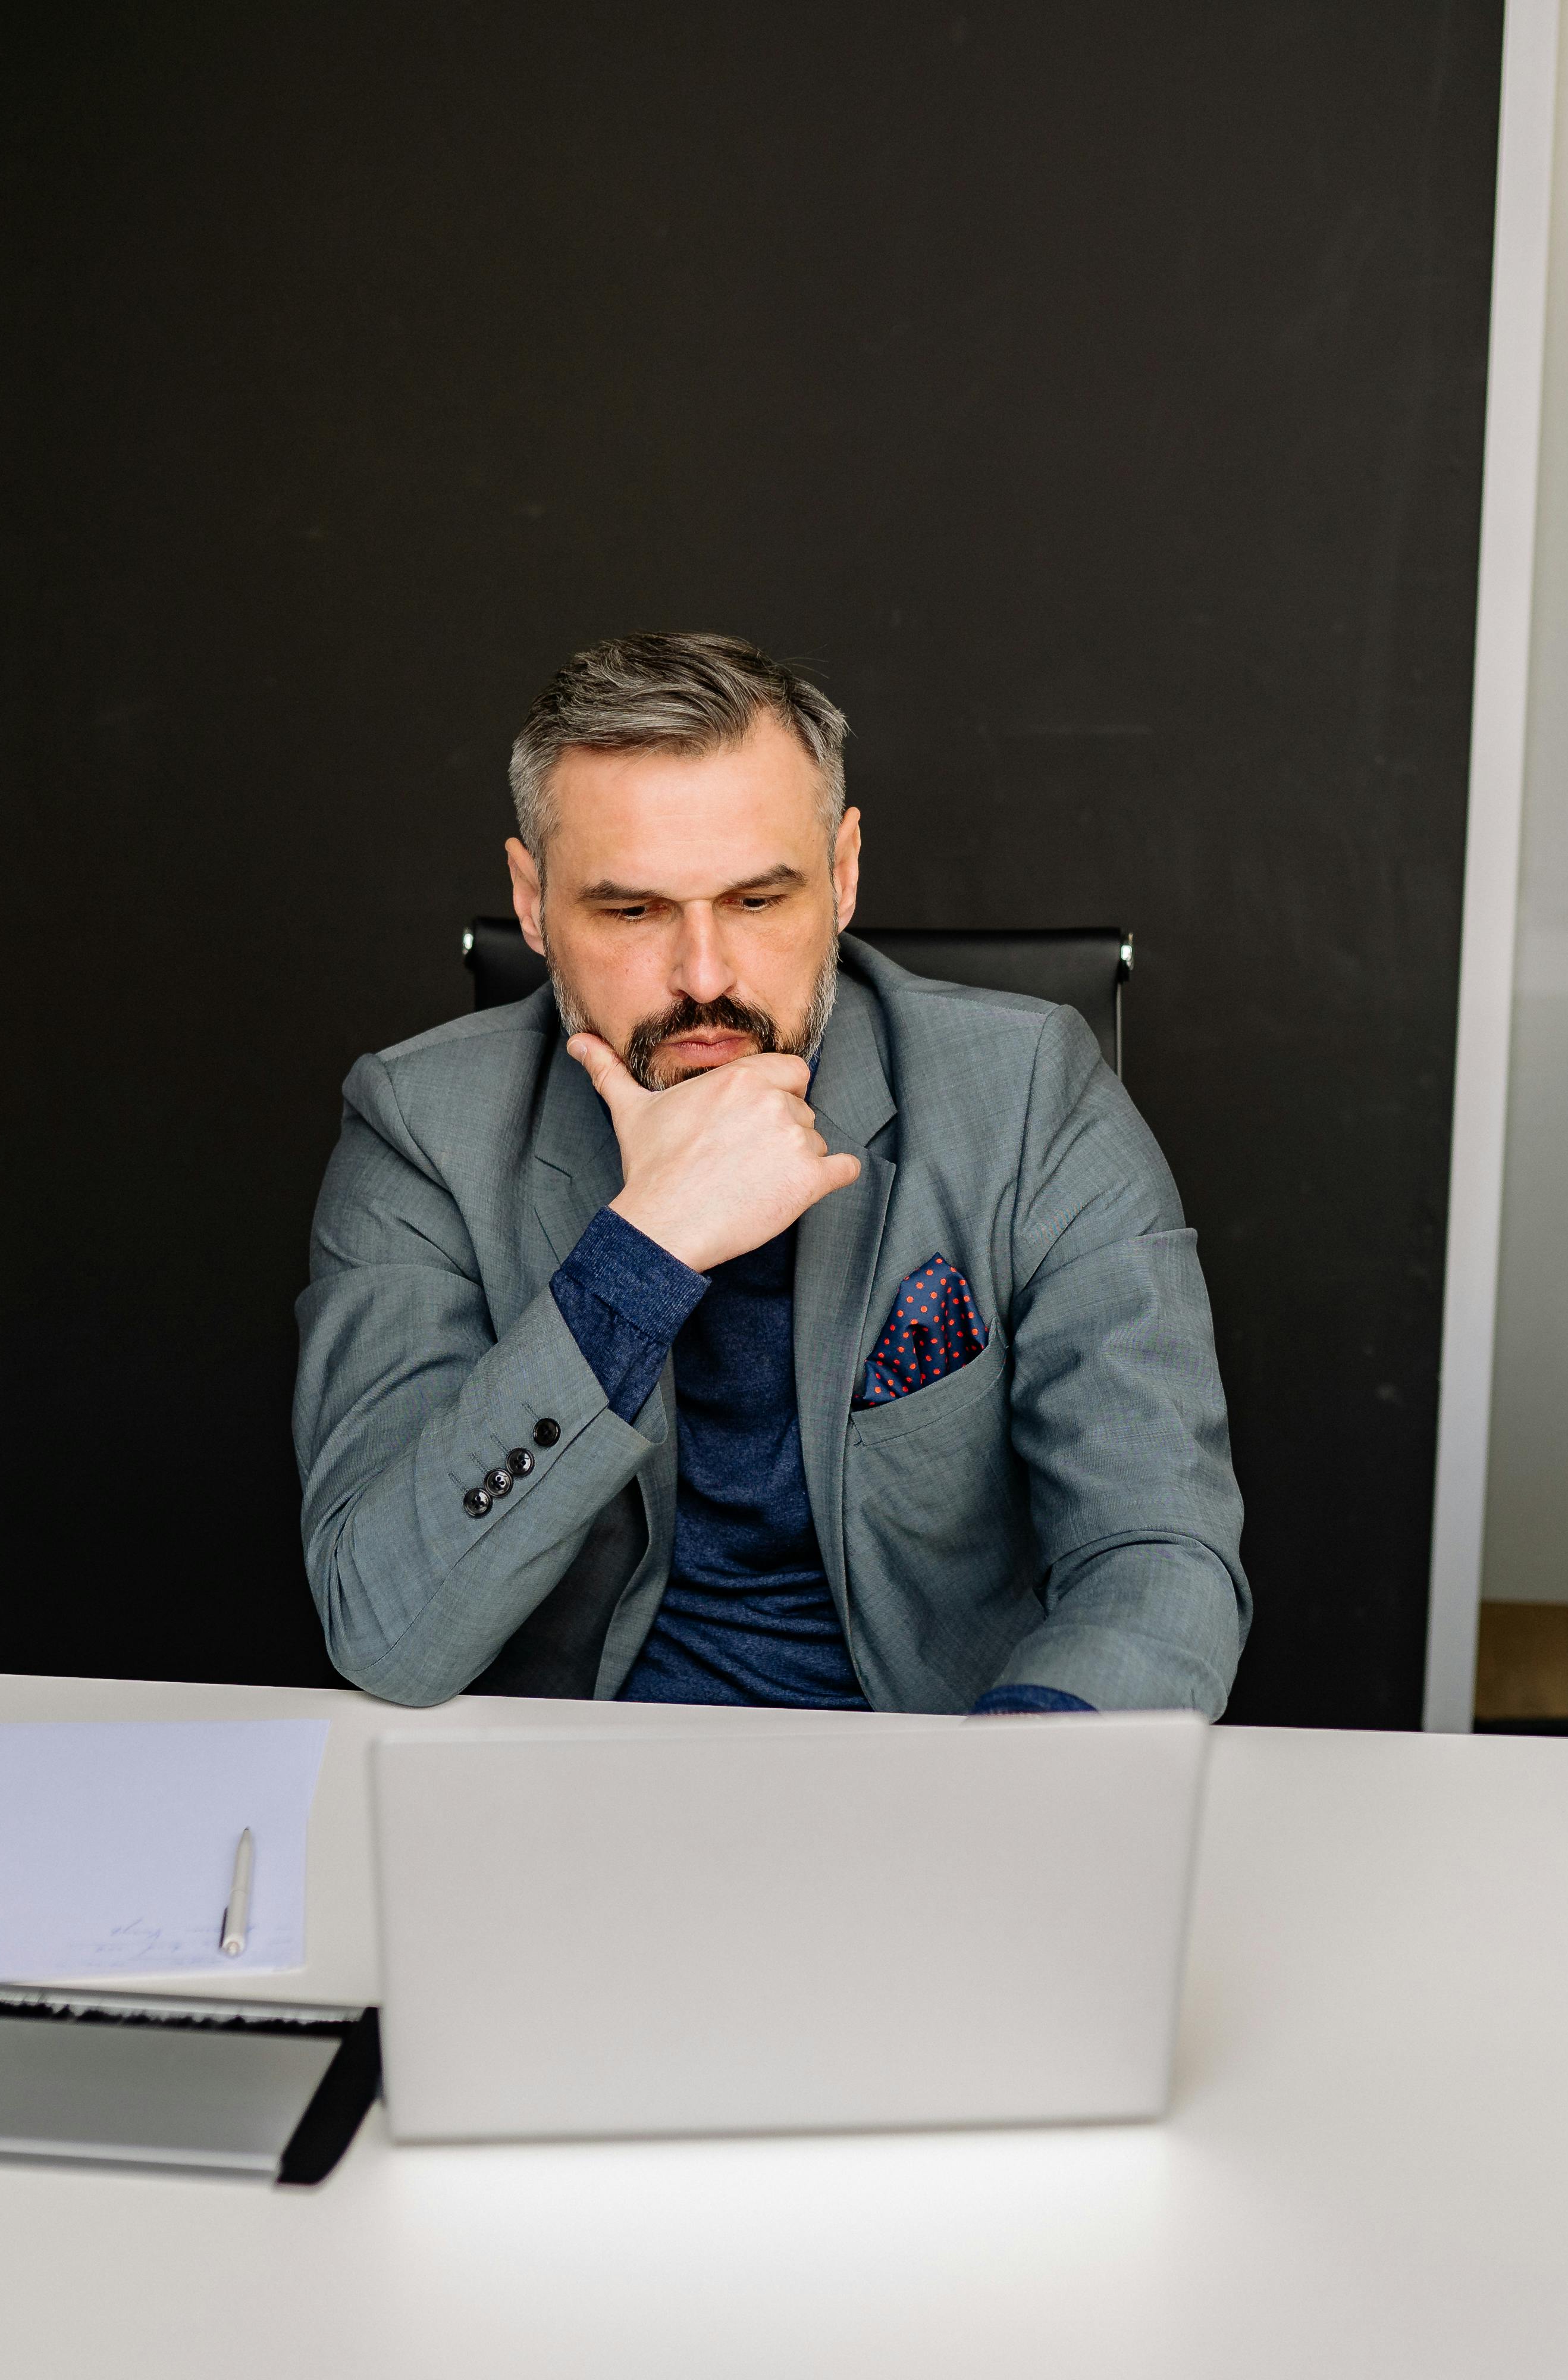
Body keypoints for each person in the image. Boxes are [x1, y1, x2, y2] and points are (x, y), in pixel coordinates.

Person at [293, 632, 1249, 1714]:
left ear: (841, 877)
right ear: (530, 900)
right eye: (632, 911)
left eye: (757, 902)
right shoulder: (421, 1126)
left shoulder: (1031, 1094)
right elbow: (382, 1627)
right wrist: (643, 1249)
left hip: (944, 1774)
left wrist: (1009, 1801)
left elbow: (1160, 1553)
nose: (704, 979)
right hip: (574, 1790)